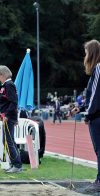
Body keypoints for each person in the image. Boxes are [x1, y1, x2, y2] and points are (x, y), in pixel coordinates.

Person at [0, 65, 22, 173]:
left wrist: (6, 115)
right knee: (6, 140)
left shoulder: (9, 85)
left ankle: (17, 165)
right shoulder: (6, 85)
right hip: (6, 116)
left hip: (9, 117)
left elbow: (14, 102)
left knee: (9, 141)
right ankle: (15, 163)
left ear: (3, 75)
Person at [82, 39, 100, 193]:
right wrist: (80, 107)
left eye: (86, 52)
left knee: (99, 149)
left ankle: (99, 181)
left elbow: (94, 95)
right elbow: (90, 94)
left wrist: (87, 114)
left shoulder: (98, 68)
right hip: (96, 115)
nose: (85, 56)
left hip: (97, 117)